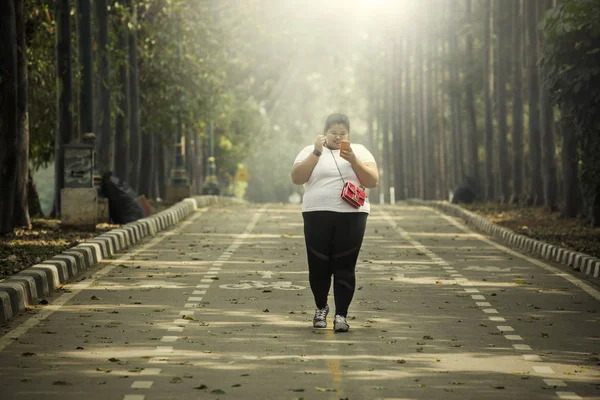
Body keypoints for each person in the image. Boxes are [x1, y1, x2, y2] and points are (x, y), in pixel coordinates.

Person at [291, 113, 379, 332]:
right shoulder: (309, 150)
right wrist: (316, 152)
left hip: (353, 215)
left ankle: (341, 315)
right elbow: (297, 177)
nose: (338, 137)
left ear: (349, 134)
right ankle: (321, 308)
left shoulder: (360, 151)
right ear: (324, 133)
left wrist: (353, 160)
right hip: (316, 213)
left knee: (345, 266)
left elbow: (372, 180)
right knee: (318, 265)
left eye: (343, 133)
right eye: (333, 133)